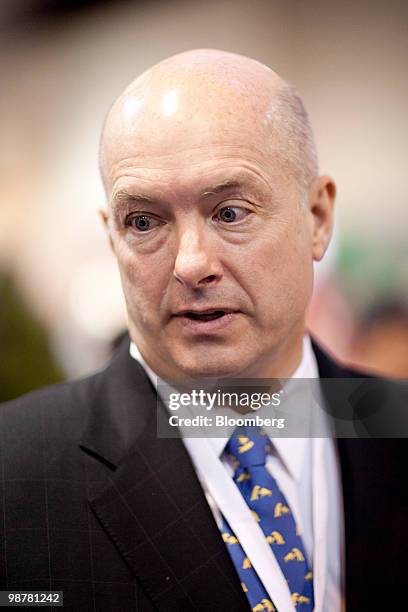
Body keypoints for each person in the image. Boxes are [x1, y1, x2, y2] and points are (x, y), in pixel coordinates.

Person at [0, 49, 406, 612]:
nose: (191, 263)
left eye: (230, 212)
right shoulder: (15, 477)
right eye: (144, 222)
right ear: (112, 237)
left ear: (317, 218)